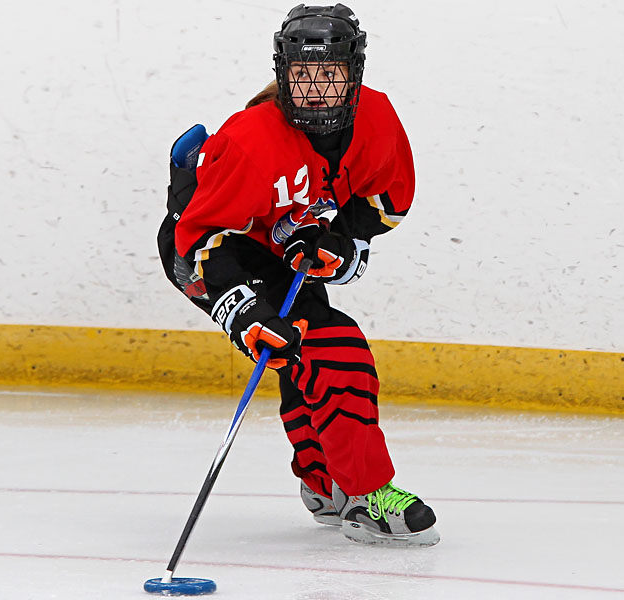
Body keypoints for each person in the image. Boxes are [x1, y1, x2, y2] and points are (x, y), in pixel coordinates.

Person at [158, 4, 439, 546]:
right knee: (336, 346)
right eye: (302, 75)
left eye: (330, 74)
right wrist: (244, 312)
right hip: (214, 250)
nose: (317, 89)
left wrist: (338, 240)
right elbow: (200, 242)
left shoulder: (378, 118)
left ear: (354, 73)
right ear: (282, 72)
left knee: (301, 353)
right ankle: (366, 494)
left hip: (280, 244)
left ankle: (325, 482)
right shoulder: (251, 139)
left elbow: (387, 202)